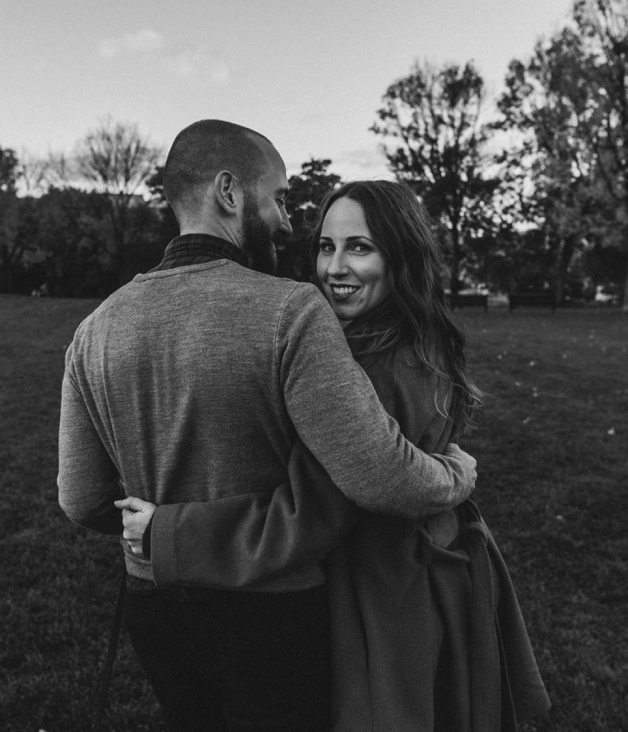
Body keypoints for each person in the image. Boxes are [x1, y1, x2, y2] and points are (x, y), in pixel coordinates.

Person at [57, 121, 478, 732]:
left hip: (157, 605)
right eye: (278, 197)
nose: (286, 220)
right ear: (229, 192)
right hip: (271, 612)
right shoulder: (290, 311)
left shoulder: (94, 329)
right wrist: (454, 475)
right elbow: (381, 474)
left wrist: (143, 527)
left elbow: (80, 498)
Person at [120, 180, 550, 730]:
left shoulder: (361, 367)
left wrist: (169, 533)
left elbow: (310, 512)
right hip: (430, 571)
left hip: (384, 594)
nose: (336, 267)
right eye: (327, 246)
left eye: (360, 247)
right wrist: (454, 474)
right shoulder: (418, 336)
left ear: (401, 256)